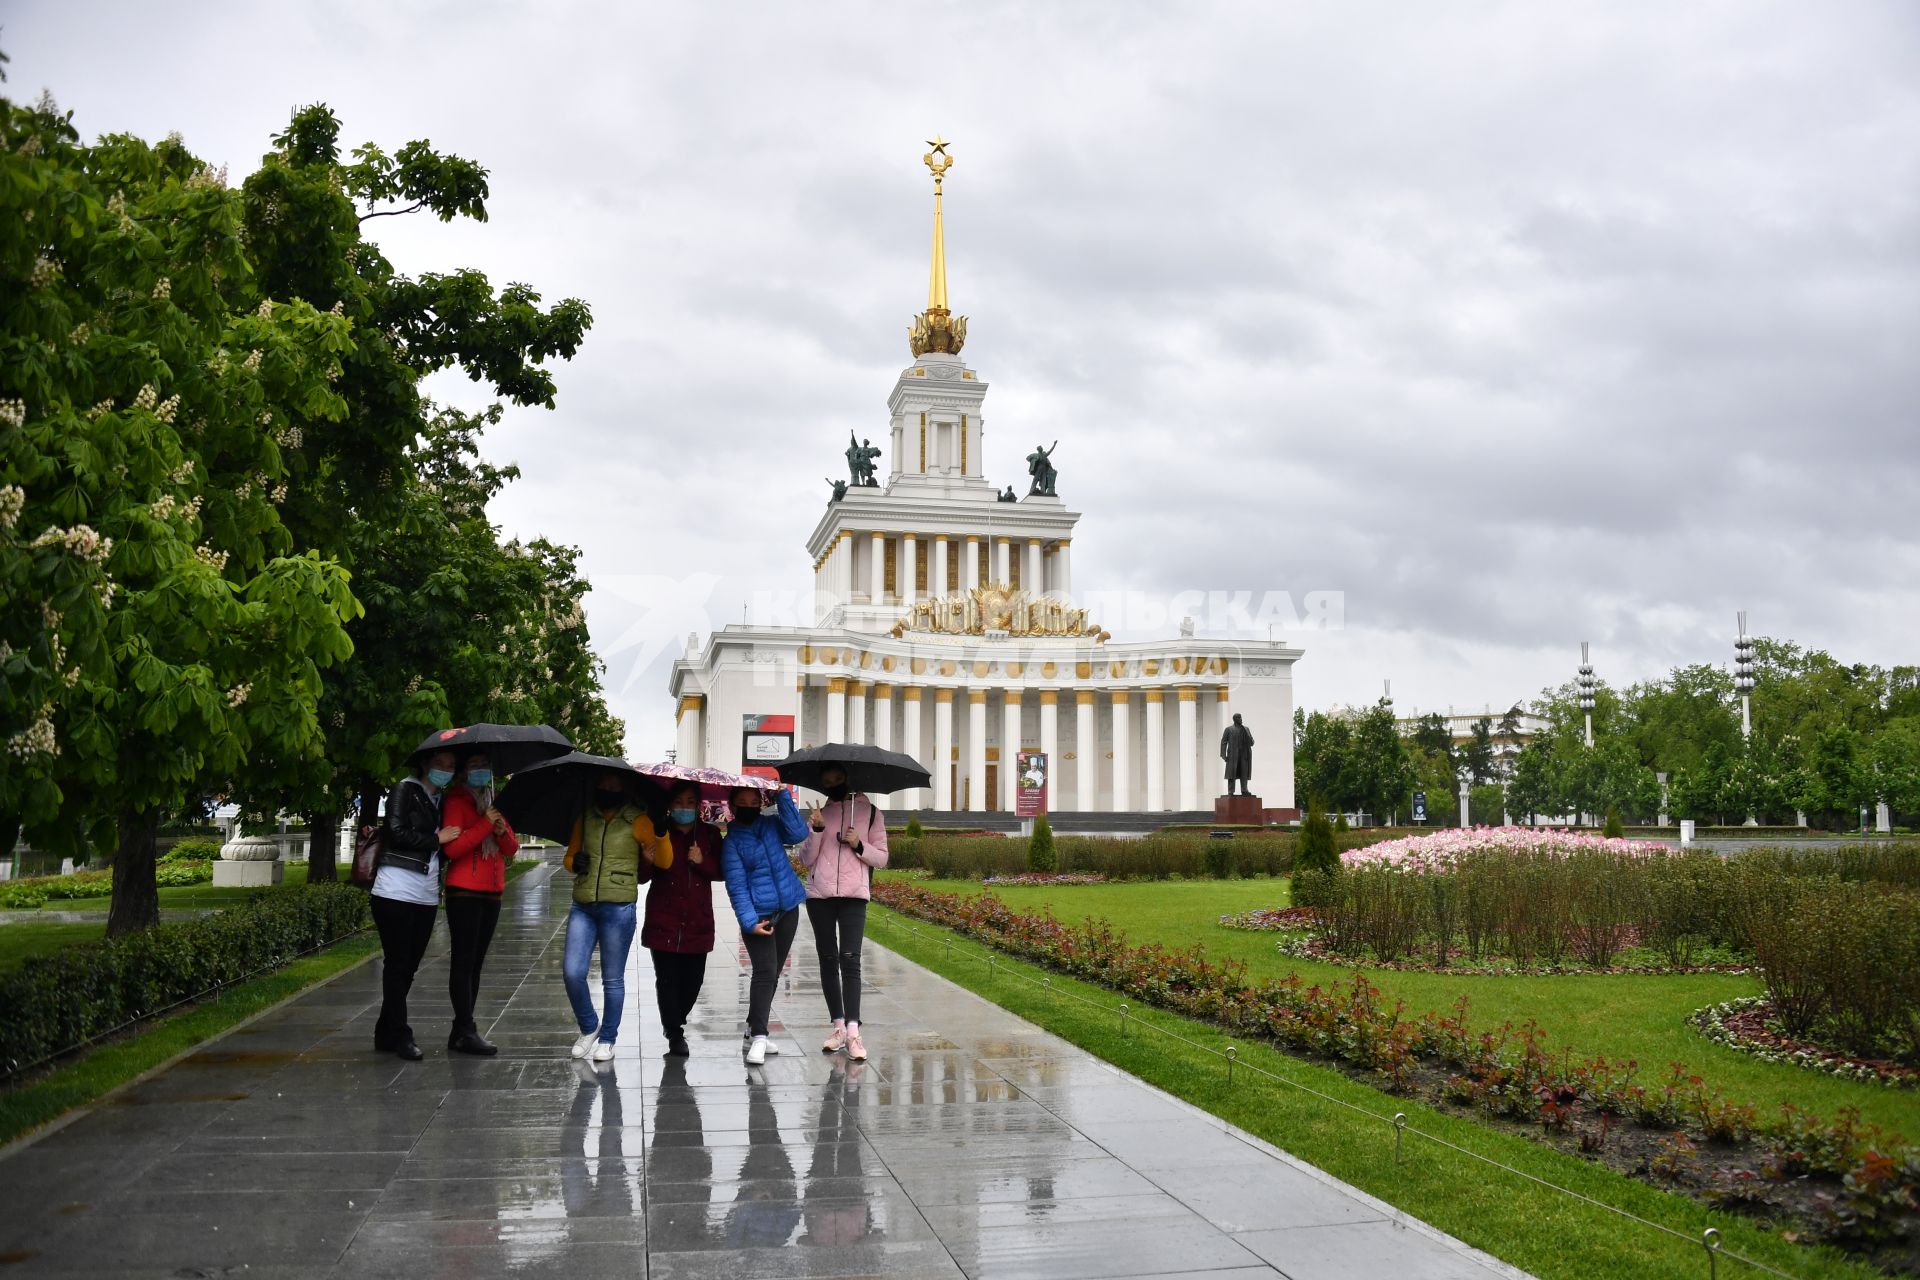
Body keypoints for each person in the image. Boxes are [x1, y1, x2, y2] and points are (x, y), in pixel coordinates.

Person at [563, 772, 666, 1063]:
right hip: (583, 904)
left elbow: (661, 861)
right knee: (572, 972)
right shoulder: (586, 818)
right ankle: (588, 1026)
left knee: (612, 979)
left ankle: (608, 1038)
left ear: (625, 789)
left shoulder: (639, 820)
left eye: (614, 785)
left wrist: (652, 850)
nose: (608, 789)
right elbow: (569, 857)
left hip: (618, 907)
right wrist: (575, 862)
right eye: (603, 784)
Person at [371, 749, 458, 1061]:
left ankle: (386, 1030)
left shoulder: (441, 800)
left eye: (450, 766)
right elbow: (395, 832)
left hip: (425, 892)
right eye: (439, 764)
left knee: (408, 967)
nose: (444, 770)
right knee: (397, 964)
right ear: (425, 764)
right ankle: (401, 1034)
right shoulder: (404, 789)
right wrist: (438, 839)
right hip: (395, 889)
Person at [799, 765, 889, 1062]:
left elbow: (883, 858)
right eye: (827, 781)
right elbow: (806, 859)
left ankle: (853, 1032)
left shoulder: (872, 813)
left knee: (850, 960)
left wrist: (858, 844)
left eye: (837, 780)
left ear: (848, 780)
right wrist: (816, 830)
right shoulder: (821, 813)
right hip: (820, 896)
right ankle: (837, 1026)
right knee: (827, 958)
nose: (832, 784)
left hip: (853, 896)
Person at [721, 784, 809, 1066]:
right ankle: (759, 1035)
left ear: (761, 803)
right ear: (733, 807)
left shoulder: (771, 825)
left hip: (788, 908)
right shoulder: (732, 841)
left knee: (773, 974)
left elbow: (798, 833)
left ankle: (751, 1027)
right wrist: (749, 922)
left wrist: (783, 796)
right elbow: (736, 887)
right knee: (765, 972)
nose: (749, 806)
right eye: (742, 802)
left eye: (754, 801)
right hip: (760, 916)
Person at [440, 749, 518, 1056]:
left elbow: (511, 848)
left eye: (485, 765)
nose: (481, 771)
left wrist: (499, 830)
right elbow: (453, 848)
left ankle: (461, 1031)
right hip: (464, 891)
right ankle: (465, 1027)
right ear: (462, 772)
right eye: (474, 766)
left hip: (492, 890)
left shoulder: (495, 803)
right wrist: (485, 824)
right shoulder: (457, 802)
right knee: (463, 962)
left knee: (476, 964)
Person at [639, 781, 725, 1058]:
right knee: (666, 980)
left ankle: (676, 1017)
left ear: (698, 805)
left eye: (690, 802)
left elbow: (721, 872)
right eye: (678, 802)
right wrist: (646, 860)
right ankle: (674, 1032)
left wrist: (702, 861)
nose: (684, 808)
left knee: (693, 982)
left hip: (698, 921)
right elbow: (642, 877)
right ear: (669, 805)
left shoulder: (710, 835)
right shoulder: (658, 832)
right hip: (663, 918)